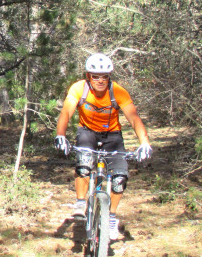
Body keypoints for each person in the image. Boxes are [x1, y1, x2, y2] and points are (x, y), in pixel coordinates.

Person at [54, 53, 152, 241]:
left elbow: (133, 117)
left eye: (104, 76)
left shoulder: (118, 92)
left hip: (112, 136)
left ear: (109, 77)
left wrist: (144, 142)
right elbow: (66, 111)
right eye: (95, 76)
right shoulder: (79, 89)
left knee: (119, 178)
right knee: (83, 164)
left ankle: (112, 218)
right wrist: (60, 135)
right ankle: (81, 203)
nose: (100, 80)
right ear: (88, 76)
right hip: (87, 132)